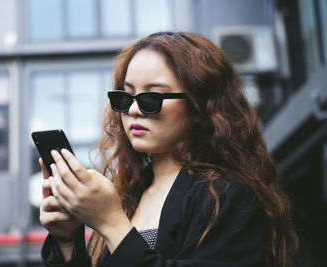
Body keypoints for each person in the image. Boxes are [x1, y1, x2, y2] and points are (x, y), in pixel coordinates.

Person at [39, 32, 298, 267]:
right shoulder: (126, 194)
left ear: (199, 107)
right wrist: (67, 241)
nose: (132, 110)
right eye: (124, 97)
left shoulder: (228, 194)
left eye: (152, 98)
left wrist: (111, 223)